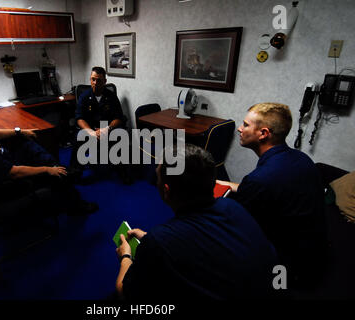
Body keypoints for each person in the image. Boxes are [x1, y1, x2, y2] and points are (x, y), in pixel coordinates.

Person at [115, 144, 279, 300]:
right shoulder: (231, 205)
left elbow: (124, 291)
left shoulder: (159, 241)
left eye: (157, 177)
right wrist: (148, 238)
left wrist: (126, 256)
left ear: (166, 191)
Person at [217, 102, 327, 288]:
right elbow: (273, 189)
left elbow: (236, 224)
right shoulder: (301, 159)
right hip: (313, 250)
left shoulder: (261, 179)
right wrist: (228, 184)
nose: (239, 129)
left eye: (245, 125)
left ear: (263, 133)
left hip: (287, 264)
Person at [0, 95, 98, 215]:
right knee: (55, 175)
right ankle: (75, 205)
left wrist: (20, 131)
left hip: (8, 161)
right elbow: (13, 173)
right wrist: (47, 170)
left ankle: (61, 169)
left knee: (27, 144)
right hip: (9, 182)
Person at [70, 66, 132, 184]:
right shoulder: (84, 96)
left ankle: (124, 173)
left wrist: (107, 129)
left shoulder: (111, 96)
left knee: (121, 135)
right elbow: (79, 118)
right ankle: (75, 174)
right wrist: (91, 132)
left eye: (99, 80)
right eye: (93, 79)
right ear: (90, 79)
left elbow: (119, 117)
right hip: (91, 129)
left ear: (105, 81)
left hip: (107, 129)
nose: (95, 83)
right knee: (79, 138)